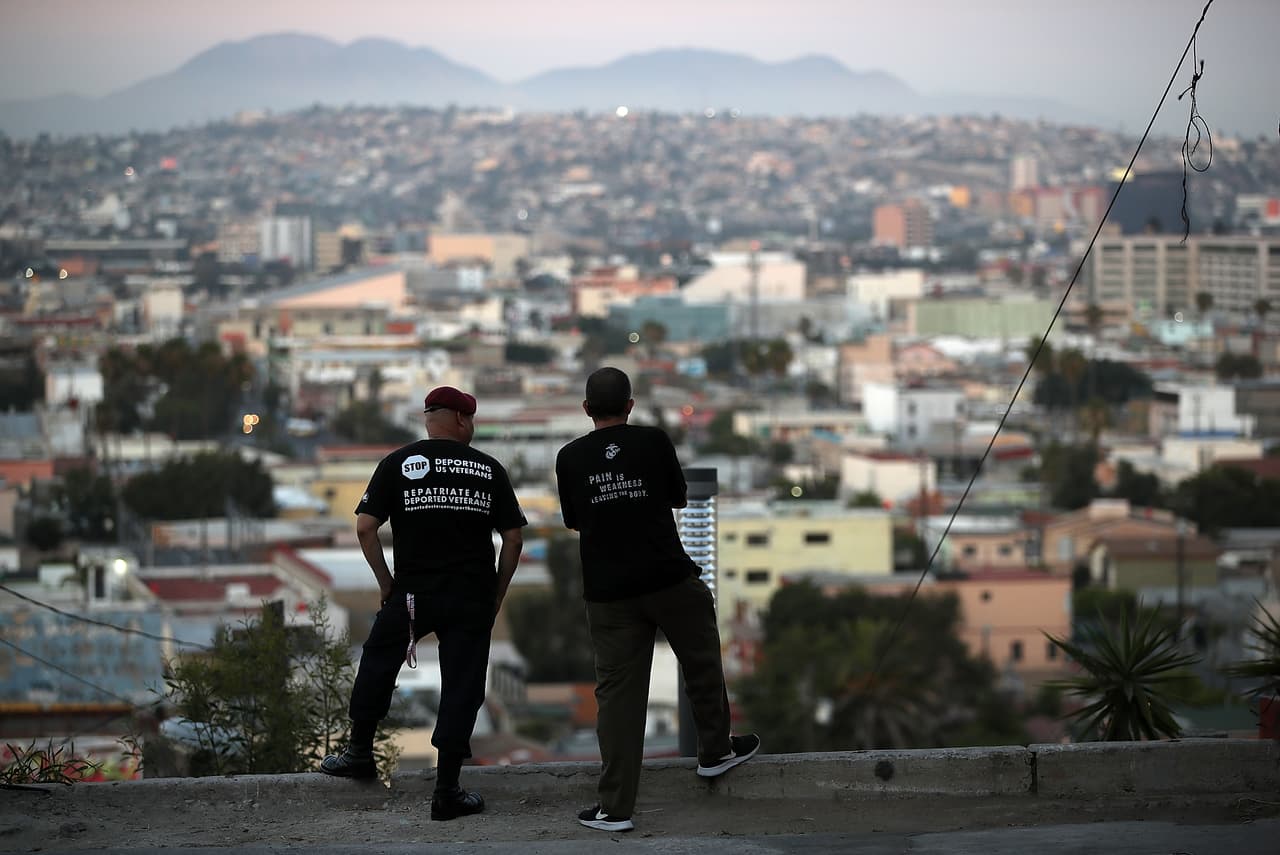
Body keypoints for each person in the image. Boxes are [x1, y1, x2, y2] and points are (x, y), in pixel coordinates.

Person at [554, 366, 760, 833]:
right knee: (702, 661)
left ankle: (614, 809)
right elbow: (679, 498)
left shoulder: (569, 457)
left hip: (608, 593)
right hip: (667, 577)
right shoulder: (653, 442)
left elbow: (574, 520)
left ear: (587, 409)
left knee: (618, 700)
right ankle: (715, 750)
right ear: (630, 405)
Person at [321, 385, 526, 822]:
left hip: (412, 594)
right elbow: (513, 538)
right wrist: (497, 594)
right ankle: (447, 790)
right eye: (469, 419)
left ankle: (360, 753)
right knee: (462, 687)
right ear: (459, 419)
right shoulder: (489, 470)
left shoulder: (396, 464)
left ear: (428, 418)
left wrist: (386, 583)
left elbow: (364, 529)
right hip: (470, 596)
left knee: (377, 662)